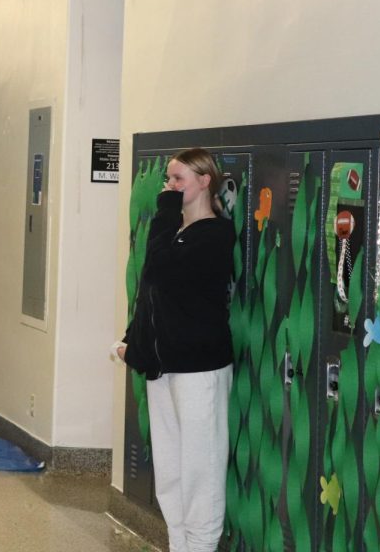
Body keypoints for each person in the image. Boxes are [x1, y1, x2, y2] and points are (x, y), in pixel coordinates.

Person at [118, 147, 235, 552]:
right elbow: (151, 295)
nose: (168, 187)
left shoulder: (215, 234)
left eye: (177, 180)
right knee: (170, 471)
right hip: (163, 368)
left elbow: (159, 270)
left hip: (199, 369)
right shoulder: (176, 233)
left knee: (200, 469)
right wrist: (133, 342)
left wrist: (166, 210)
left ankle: (201, 546)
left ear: (204, 181)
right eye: (167, 179)